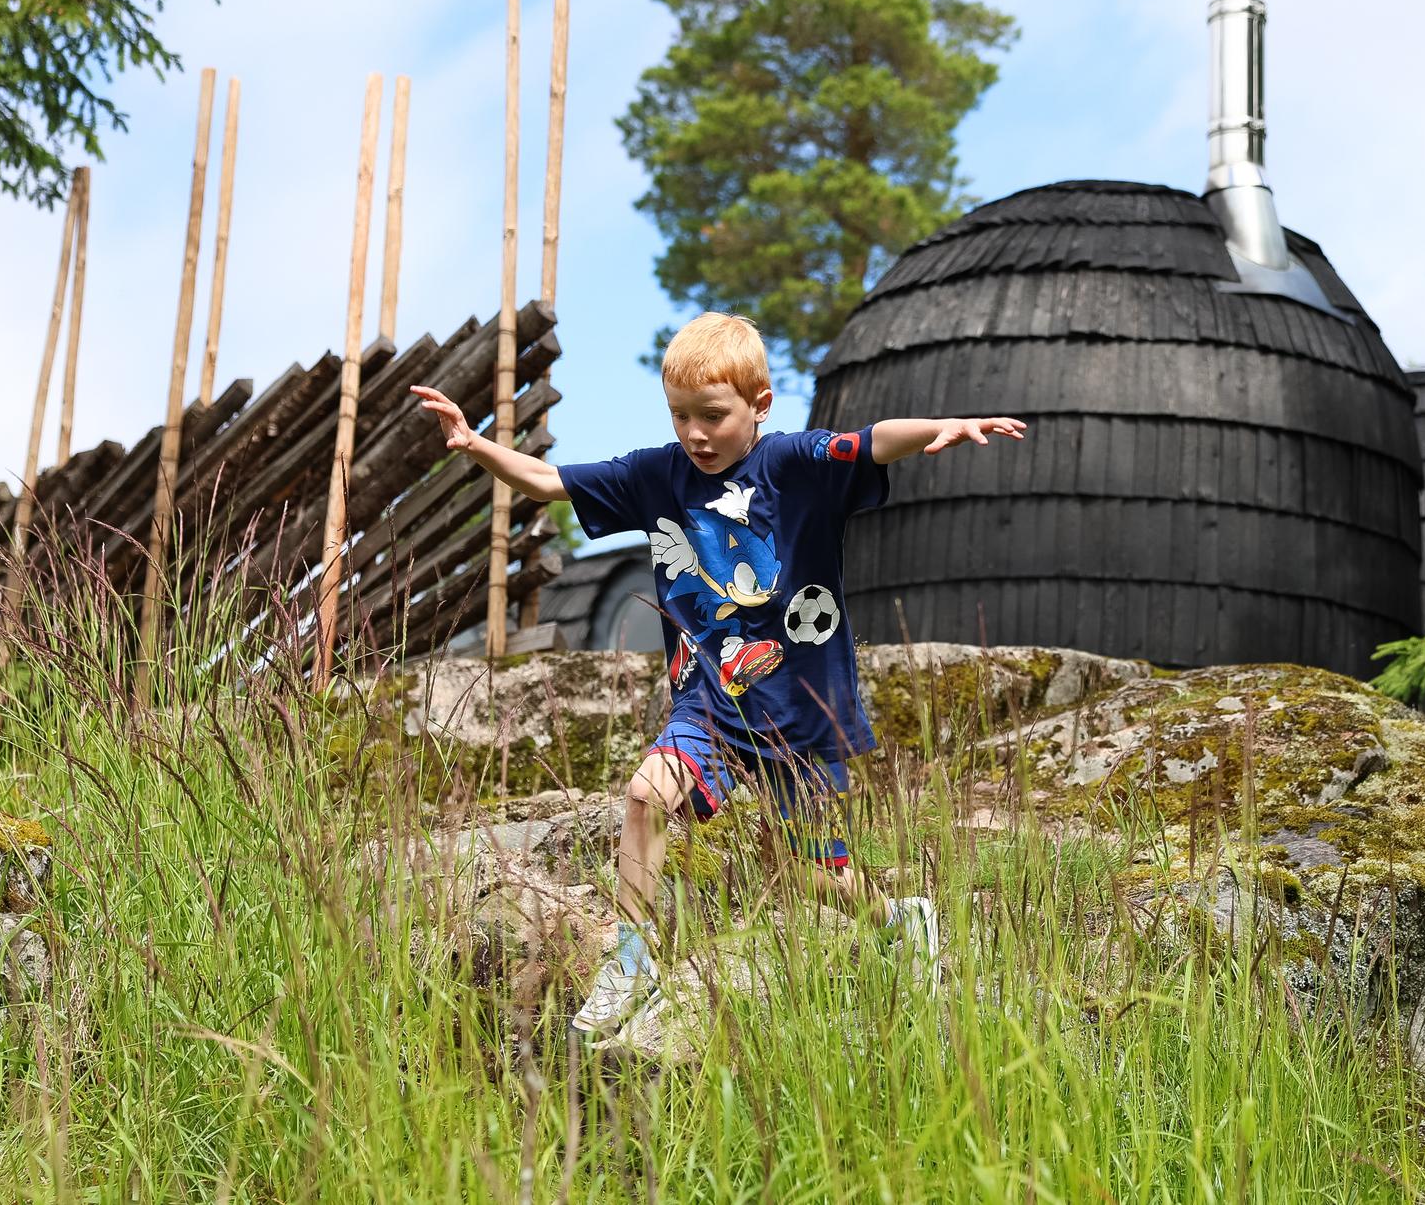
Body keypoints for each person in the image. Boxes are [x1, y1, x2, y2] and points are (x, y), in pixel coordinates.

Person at [410, 311, 1025, 1037]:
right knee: (646, 795)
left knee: (808, 871)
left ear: (759, 405)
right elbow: (548, 481)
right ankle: (632, 960)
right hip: (709, 698)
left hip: (799, 709)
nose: (694, 433)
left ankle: (900, 918)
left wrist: (938, 429)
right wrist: (476, 443)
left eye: (712, 416)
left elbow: (871, 441)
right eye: (680, 416)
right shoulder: (657, 475)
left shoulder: (793, 464)